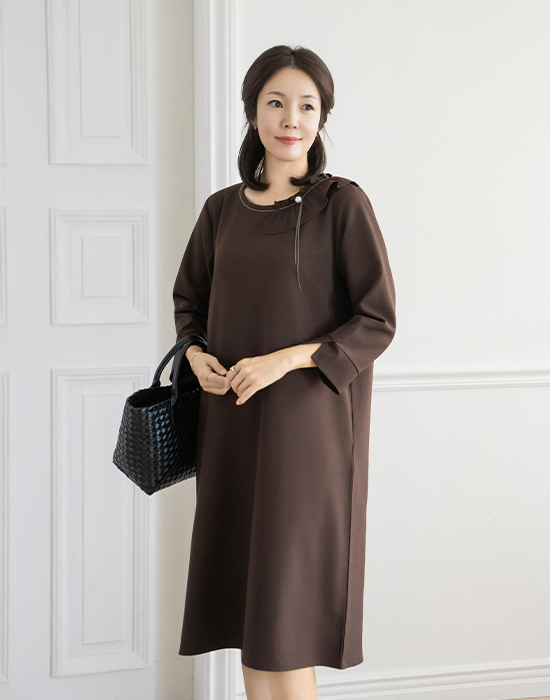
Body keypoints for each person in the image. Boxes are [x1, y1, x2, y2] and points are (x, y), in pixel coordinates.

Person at [172, 44, 397, 700]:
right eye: (276, 103)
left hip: (306, 435)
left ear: (322, 118)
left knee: (286, 621)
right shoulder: (221, 211)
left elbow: (377, 319)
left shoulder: (341, 204)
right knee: (248, 617)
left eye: (306, 106)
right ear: (252, 113)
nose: (290, 119)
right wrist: (195, 356)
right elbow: (189, 305)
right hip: (231, 430)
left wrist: (286, 359)